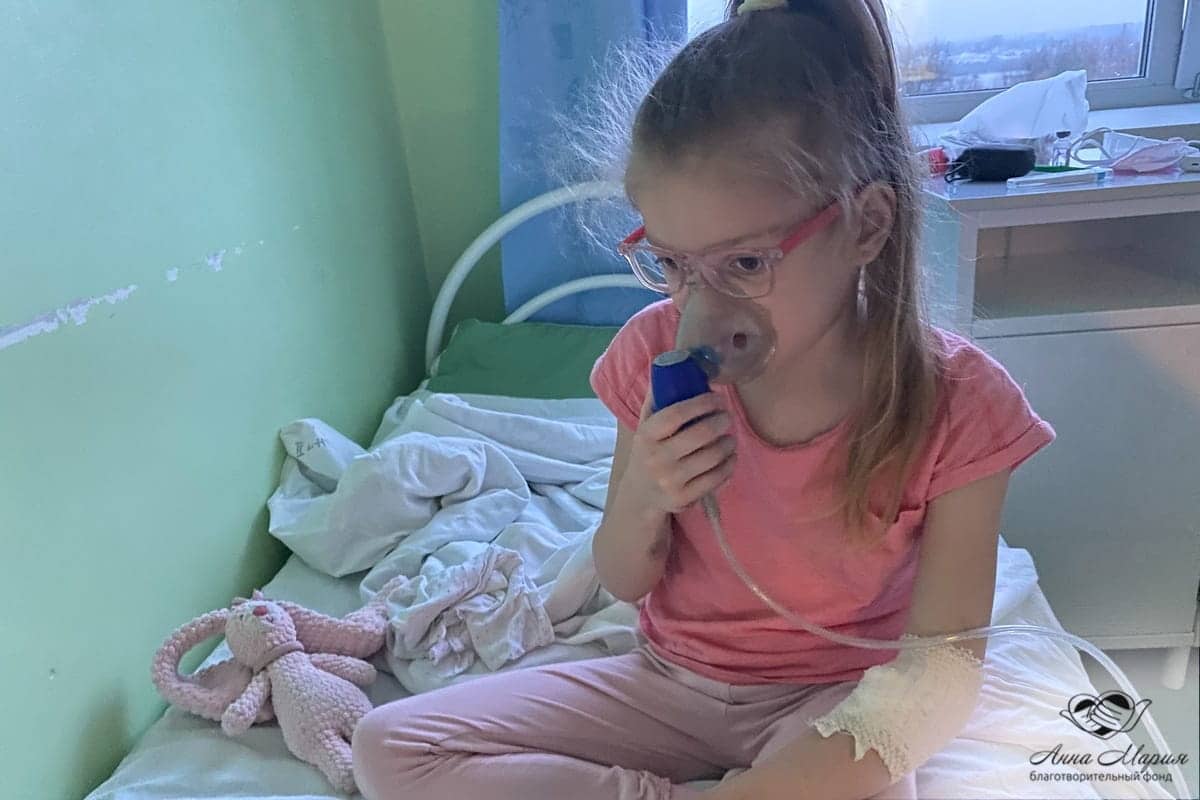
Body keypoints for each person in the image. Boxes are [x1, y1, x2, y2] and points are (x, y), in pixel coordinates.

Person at [352, 1, 1056, 798]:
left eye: (746, 264)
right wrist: (646, 495)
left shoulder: (957, 404)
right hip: (671, 685)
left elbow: (939, 678)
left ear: (866, 225)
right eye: (673, 265)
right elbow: (623, 579)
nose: (701, 311)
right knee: (390, 748)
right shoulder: (652, 356)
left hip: (835, 703)